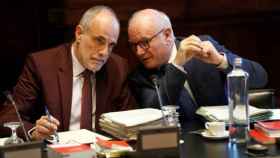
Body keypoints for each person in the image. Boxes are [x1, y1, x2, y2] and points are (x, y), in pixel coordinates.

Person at [0, 6, 135, 140]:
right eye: (99, 40)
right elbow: (8, 118)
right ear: (79, 33)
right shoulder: (42, 65)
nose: (104, 52)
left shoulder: (118, 68)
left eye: (111, 45)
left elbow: (131, 121)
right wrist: (34, 131)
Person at [127, 9, 268, 123]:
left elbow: (261, 78)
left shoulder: (203, 45)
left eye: (144, 43)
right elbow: (155, 113)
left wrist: (220, 61)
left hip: (225, 138)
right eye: (133, 45)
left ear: (167, 35)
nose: (139, 52)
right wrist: (177, 65)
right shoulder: (140, 76)